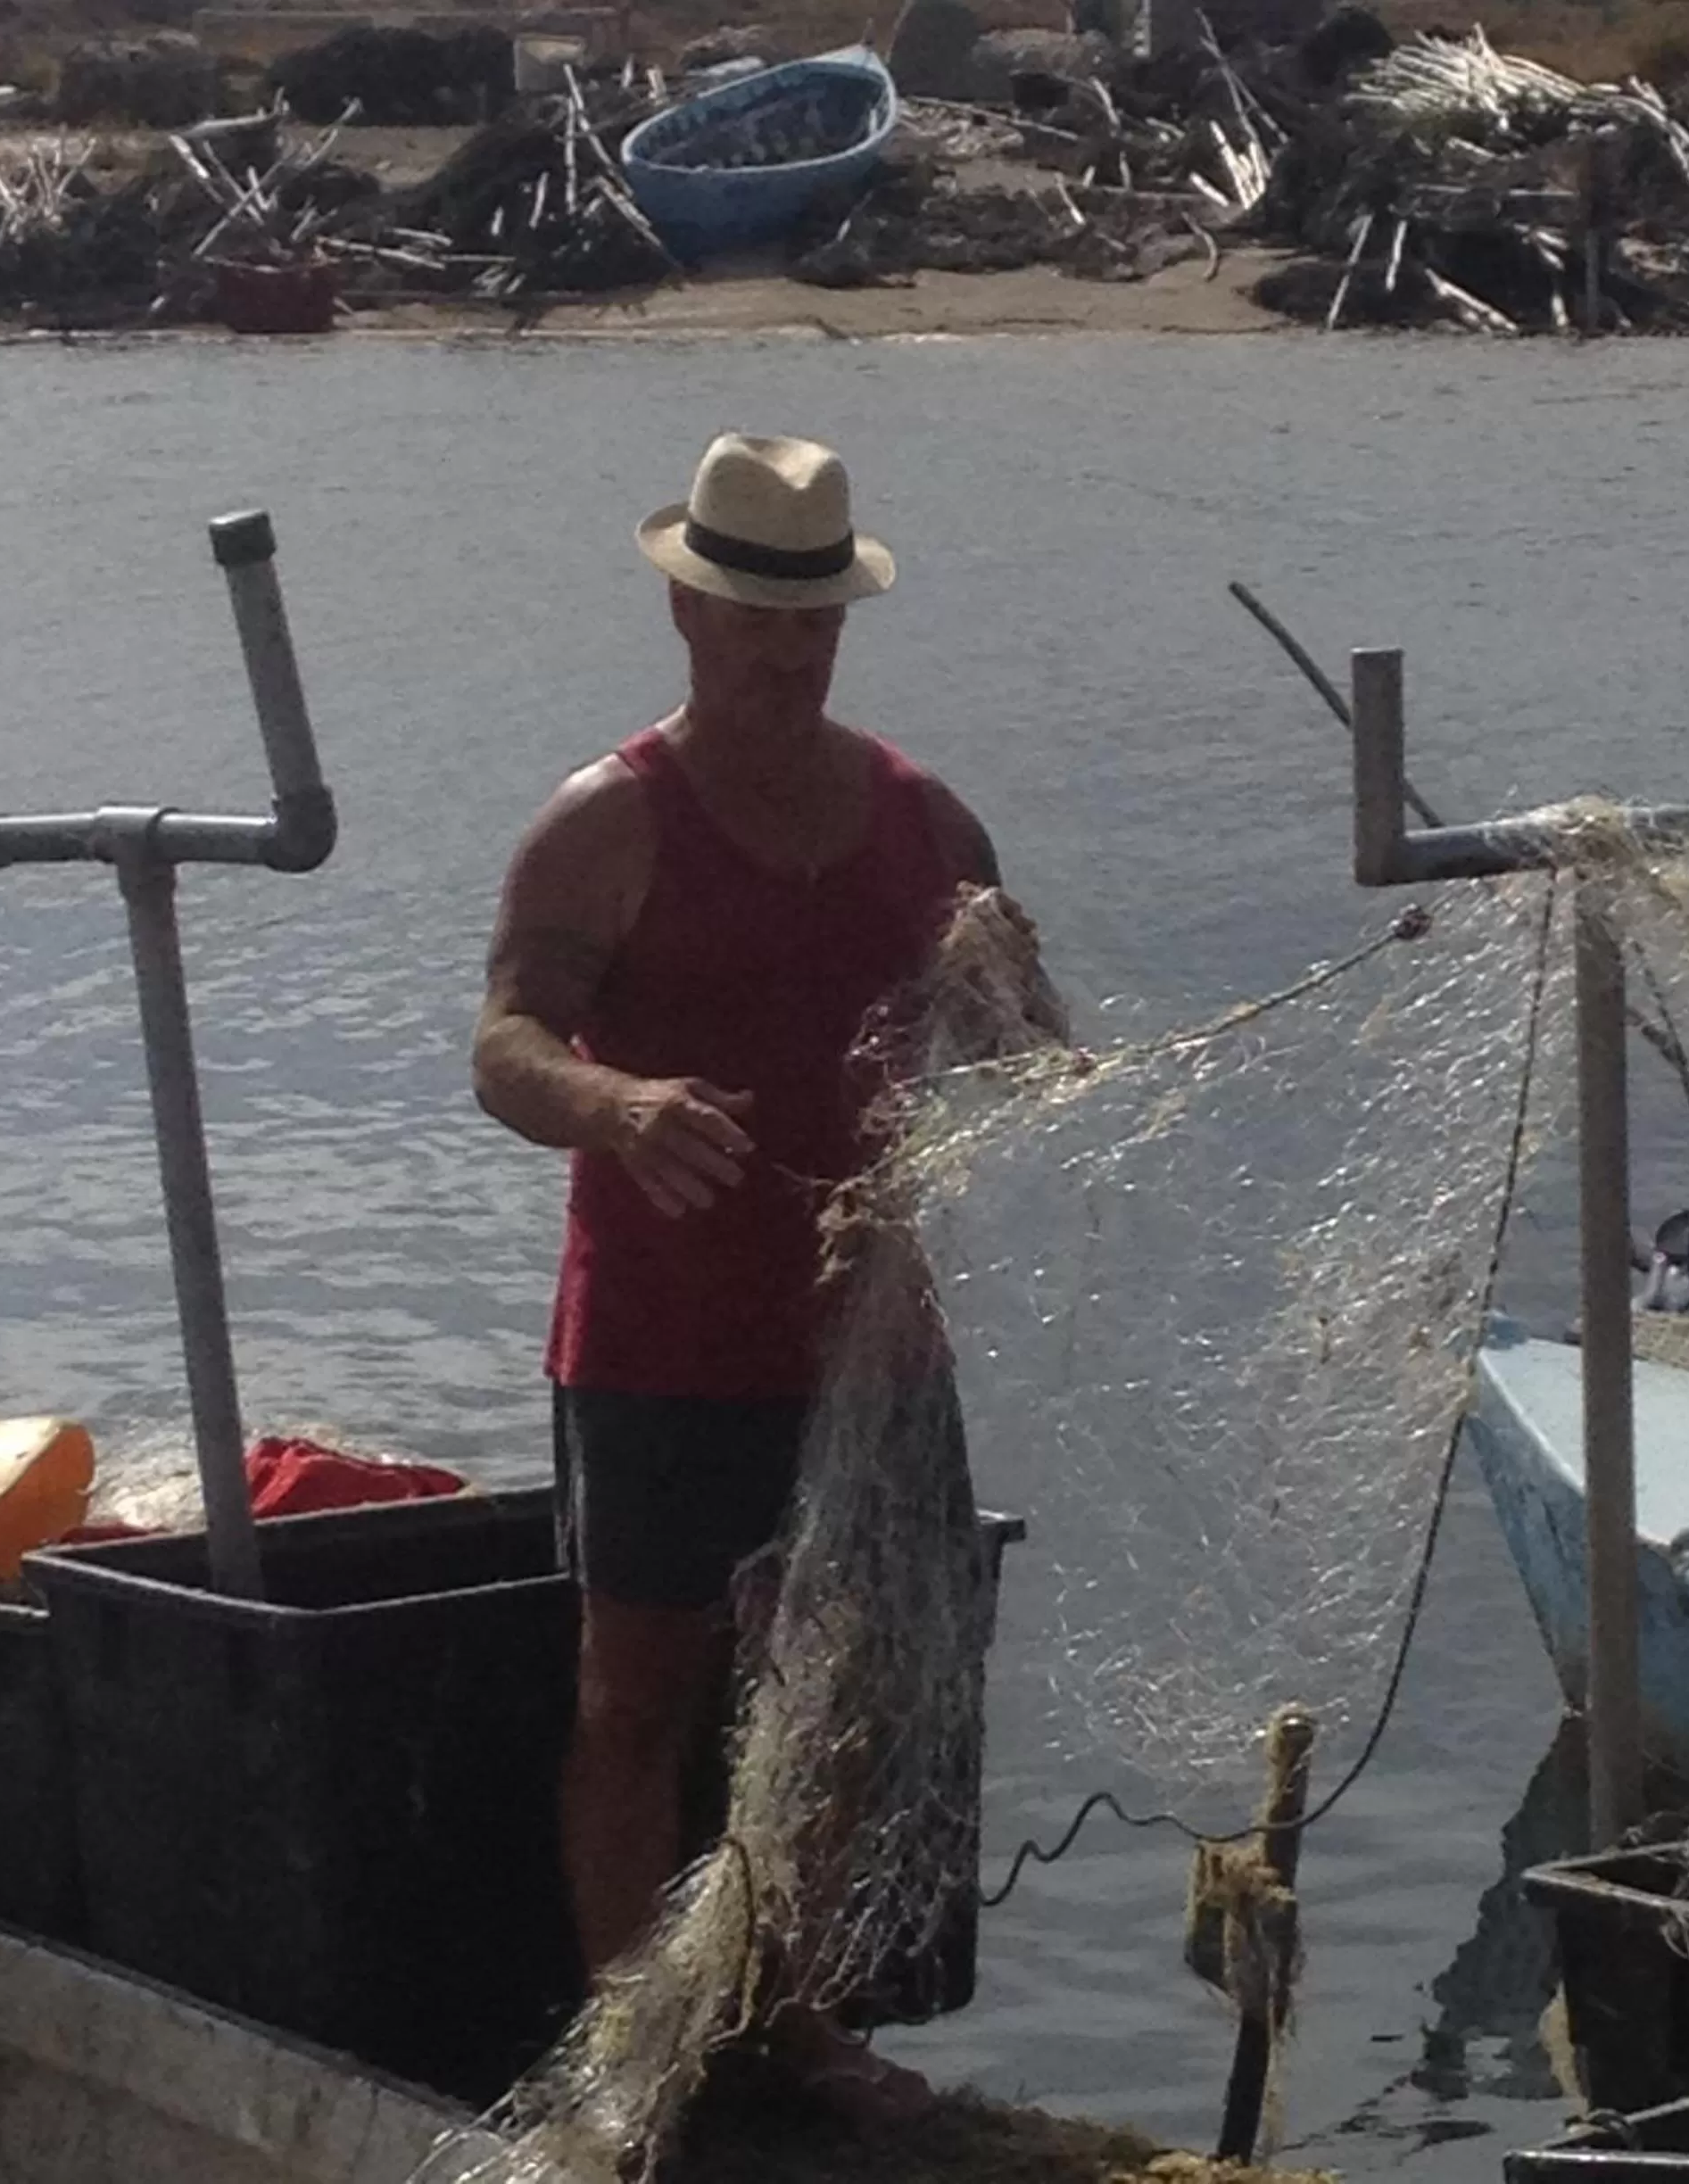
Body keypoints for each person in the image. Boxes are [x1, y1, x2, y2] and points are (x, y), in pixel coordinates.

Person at [471, 432, 1047, 2120]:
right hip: (656, 1340)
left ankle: (787, 2018)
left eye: (815, 628)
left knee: (858, 1697)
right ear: (685, 609)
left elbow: (1018, 1055)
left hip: (875, 1345)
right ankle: (628, 2054)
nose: (785, 658)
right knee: (637, 1700)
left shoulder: (928, 819)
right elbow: (504, 1046)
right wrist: (616, 1102)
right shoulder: (607, 821)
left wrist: (1021, 1007)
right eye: (752, 624)